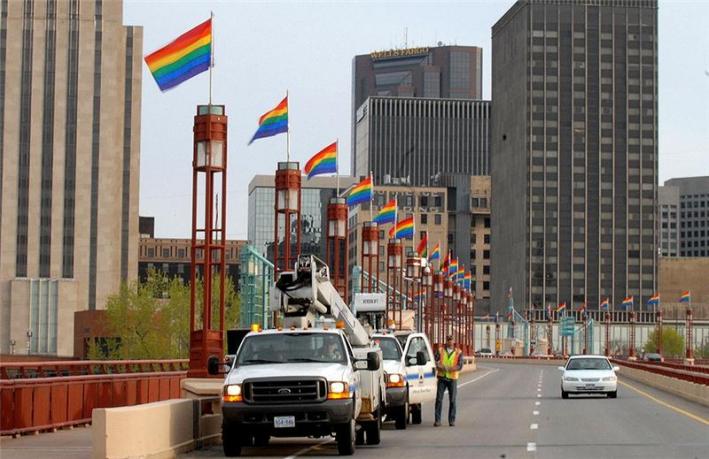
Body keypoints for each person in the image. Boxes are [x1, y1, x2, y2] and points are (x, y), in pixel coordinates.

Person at [434, 335, 463, 427]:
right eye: (448, 340)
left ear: (454, 341)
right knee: (439, 399)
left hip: (452, 378)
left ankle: (452, 420)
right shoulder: (440, 350)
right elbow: (435, 361)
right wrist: (441, 367)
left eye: (451, 340)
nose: (449, 341)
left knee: (452, 400)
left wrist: (451, 369)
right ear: (446, 341)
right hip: (442, 377)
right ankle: (437, 420)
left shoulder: (458, 352)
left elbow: (460, 366)